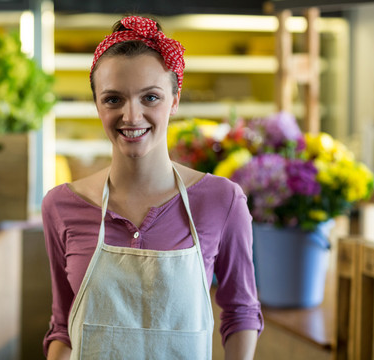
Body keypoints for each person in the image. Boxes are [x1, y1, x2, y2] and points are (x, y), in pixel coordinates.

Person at [42, 15, 263, 360]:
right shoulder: (61, 206)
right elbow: (62, 326)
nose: (132, 116)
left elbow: (241, 312)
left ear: (175, 100)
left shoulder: (221, 201)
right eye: (113, 99)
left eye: (150, 97)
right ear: (97, 105)